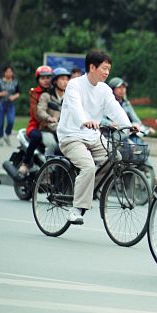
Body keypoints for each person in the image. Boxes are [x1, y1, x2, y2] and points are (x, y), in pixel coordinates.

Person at [57, 50, 137, 225]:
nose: (107, 72)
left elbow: (115, 109)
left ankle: (89, 189)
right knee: (88, 166)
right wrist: (84, 121)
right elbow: (76, 107)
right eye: (104, 68)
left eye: (109, 69)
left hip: (93, 136)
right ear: (92, 67)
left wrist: (129, 126)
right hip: (71, 135)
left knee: (116, 157)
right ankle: (76, 209)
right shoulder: (74, 85)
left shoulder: (104, 89)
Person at [18, 66, 53, 176]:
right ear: (38, 80)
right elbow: (35, 113)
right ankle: (25, 163)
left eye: (48, 77)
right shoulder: (34, 93)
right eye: (43, 78)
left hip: (53, 126)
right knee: (37, 137)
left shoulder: (55, 92)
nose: (46, 80)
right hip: (36, 126)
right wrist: (47, 122)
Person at [36, 67, 70, 156]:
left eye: (67, 79)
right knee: (52, 145)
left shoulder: (69, 97)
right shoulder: (46, 95)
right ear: (55, 81)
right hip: (47, 129)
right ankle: (48, 168)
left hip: (63, 130)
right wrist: (49, 118)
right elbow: (40, 111)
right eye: (62, 79)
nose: (65, 82)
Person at [0, 66, 20, 146]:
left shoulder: (15, 82)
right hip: (1, 104)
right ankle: (0, 137)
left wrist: (13, 97)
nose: (9, 73)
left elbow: (18, 93)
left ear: (12, 73)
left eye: (10, 71)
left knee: (11, 121)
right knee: (0, 122)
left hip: (10, 104)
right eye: (7, 71)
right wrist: (1, 94)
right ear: (4, 73)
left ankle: (7, 134)